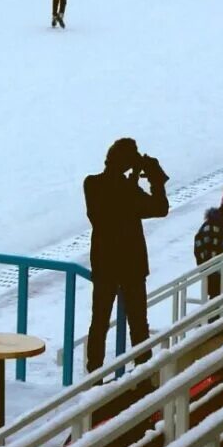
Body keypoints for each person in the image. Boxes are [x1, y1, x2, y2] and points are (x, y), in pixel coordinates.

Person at [83, 138, 169, 370]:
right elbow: (159, 208)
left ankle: (95, 378)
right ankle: (141, 376)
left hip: (106, 264)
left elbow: (154, 209)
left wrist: (138, 177)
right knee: (138, 325)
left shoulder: (93, 184)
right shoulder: (122, 189)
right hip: (130, 265)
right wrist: (154, 179)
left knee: (100, 323)